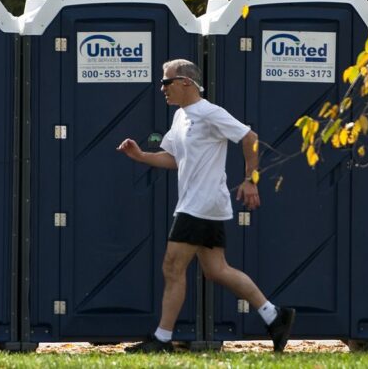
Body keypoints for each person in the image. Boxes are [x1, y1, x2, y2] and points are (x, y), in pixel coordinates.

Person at [117, 59, 295, 353]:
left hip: (200, 203)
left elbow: (250, 137)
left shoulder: (210, 112)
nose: (162, 88)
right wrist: (141, 156)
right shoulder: (181, 117)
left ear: (186, 82)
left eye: (166, 82)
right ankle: (274, 315)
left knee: (172, 266)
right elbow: (174, 158)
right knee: (216, 270)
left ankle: (162, 339)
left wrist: (251, 180)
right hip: (201, 203)